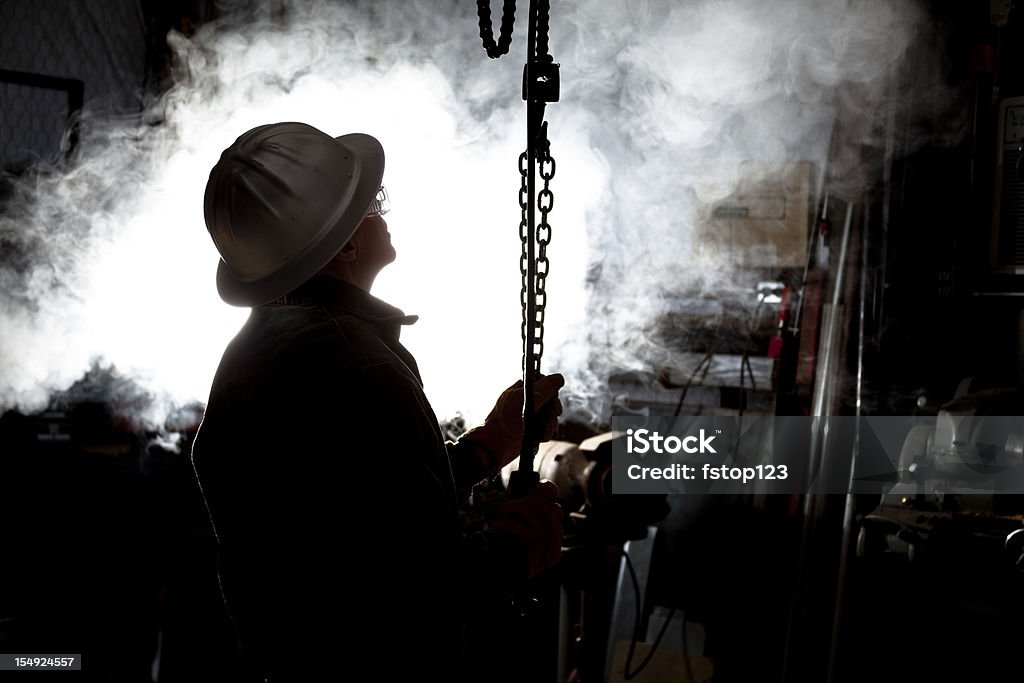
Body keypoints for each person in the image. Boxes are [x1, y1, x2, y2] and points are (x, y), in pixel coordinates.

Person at [191, 121, 565, 682]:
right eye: (372, 203)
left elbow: (353, 507)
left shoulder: (260, 348)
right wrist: (517, 549)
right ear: (344, 245)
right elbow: (411, 591)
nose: (382, 210)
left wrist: (488, 447)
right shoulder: (361, 367)